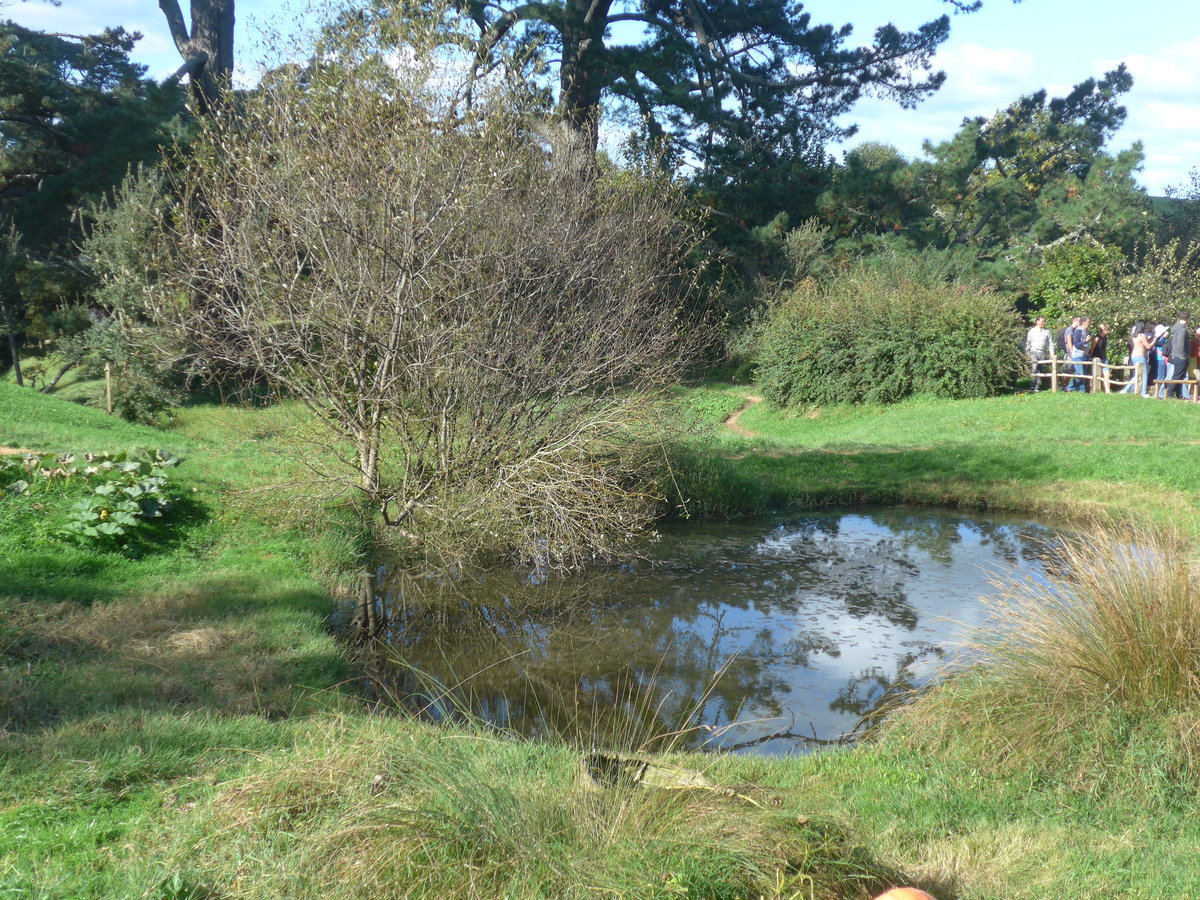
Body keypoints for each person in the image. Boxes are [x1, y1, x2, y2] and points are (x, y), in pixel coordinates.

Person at [1165, 311, 1192, 399]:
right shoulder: (1182, 330)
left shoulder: (1178, 328)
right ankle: (1170, 394)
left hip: (1178, 355)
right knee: (1177, 376)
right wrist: (1183, 355)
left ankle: (1179, 395)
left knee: (1181, 376)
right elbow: (1180, 344)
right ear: (1187, 319)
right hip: (1180, 356)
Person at [1122, 320, 1153, 396]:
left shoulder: (1134, 335)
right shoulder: (1142, 335)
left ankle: (1126, 389)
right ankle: (1143, 392)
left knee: (1137, 374)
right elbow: (1148, 346)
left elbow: (1141, 343)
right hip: (1140, 356)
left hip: (1134, 355)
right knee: (1144, 374)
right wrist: (1154, 340)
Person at [1025, 315, 1052, 392]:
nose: (1043, 323)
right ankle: (1032, 385)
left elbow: (1050, 343)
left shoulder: (1047, 331)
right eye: (1042, 321)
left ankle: (1038, 385)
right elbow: (1028, 343)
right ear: (1037, 322)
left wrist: (1051, 354)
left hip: (1042, 352)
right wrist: (1027, 353)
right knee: (1034, 367)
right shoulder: (1032, 331)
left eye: (1044, 321)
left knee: (1041, 369)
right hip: (1033, 351)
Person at [1069, 315, 1091, 392]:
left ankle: (1082, 390)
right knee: (1080, 373)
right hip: (1077, 355)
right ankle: (1070, 387)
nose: (1090, 323)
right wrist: (1085, 342)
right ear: (1084, 322)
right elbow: (1076, 344)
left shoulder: (1088, 331)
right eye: (1089, 322)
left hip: (1085, 355)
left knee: (1083, 374)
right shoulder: (1078, 331)